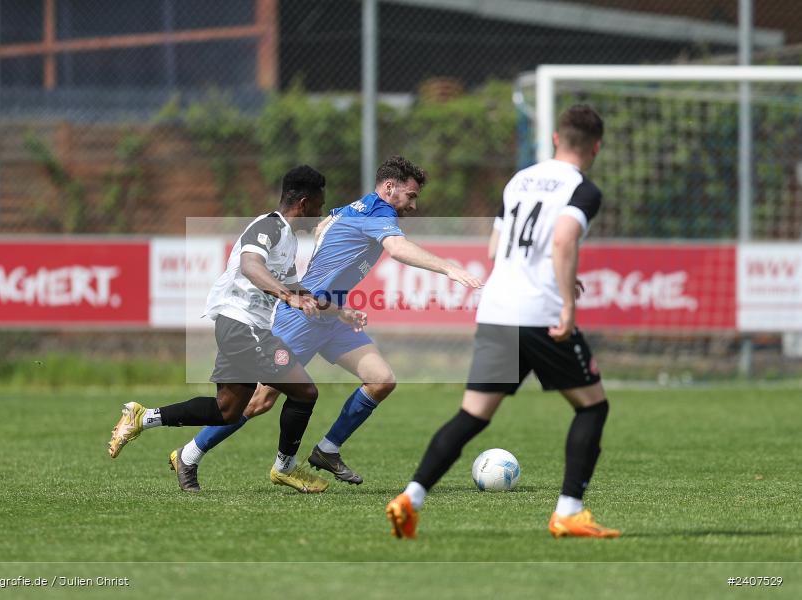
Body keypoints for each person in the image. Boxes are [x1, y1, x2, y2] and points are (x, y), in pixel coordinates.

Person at [170, 155, 483, 491]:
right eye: (410, 196)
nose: (414, 206)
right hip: (305, 316)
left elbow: (326, 227)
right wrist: (449, 268)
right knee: (260, 400)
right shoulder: (379, 212)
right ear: (389, 188)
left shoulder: (354, 208)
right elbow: (398, 249)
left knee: (381, 380)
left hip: (332, 315)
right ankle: (189, 455)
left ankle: (327, 450)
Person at [386, 105, 621, 539]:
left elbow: (495, 249)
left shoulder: (519, 181)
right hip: (540, 315)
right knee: (593, 405)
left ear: (554, 139)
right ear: (597, 147)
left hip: (497, 309)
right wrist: (567, 303)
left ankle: (410, 498)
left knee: (472, 415)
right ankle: (568, 512)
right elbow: (564, 238)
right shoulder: (583, 189)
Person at [108, 165, 364, 494]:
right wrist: (287, 297)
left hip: (243, 329)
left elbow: (294, 288)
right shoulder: (269, 226)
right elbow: (250, 266)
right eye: (317, 206)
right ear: (302, 203)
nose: (318, 215)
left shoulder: (285, 239)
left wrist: (338, 312)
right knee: (305, 392)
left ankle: (143, 418)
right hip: (243, 326)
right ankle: (285, 467)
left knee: (227, 410)